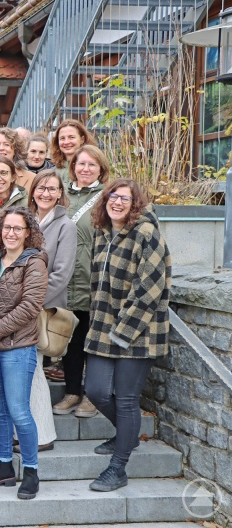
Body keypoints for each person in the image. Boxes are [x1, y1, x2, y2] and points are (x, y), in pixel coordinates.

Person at [85, 179, 171, 491]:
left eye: (125, 198)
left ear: (135, 203)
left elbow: (150, 288)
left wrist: (124, 331)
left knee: (125, 399)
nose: (117, 202)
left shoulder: (147, 233)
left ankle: (118, 467)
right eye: (112, 196)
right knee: (94, 390)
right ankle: (127, 435)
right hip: (104, 327)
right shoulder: (102, 232)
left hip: (139, 331)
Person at [0, 206, 48, 501]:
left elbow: (30, 306)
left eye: (17, 228)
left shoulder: (34, 263)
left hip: (17, 348)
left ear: (28, 233)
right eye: (7, 228)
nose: (11, 233)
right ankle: (4, 466)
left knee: (18, 411)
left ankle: (30, 470)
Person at [18, 170, 76, 452]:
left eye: (52, 189)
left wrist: (29, 301)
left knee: (34, 371)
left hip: (42, 308)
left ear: (60, 193)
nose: (45, 193)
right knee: (26, 371)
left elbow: (62, 274)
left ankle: (42, 435)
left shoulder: (66, 226)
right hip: (17, 307)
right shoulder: (25, 221)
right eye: (41, 188)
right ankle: (30, 431)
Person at [52, 144, 109, 418]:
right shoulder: (63, 197)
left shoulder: (107, 197)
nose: (85, 169)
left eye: (91, 165)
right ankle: (72, 390)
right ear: (72, 167)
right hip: (66, 279)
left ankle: (91, 396)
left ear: (100, 169)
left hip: (93, 279)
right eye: (80, 164)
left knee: (92, 340)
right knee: (70, 339)